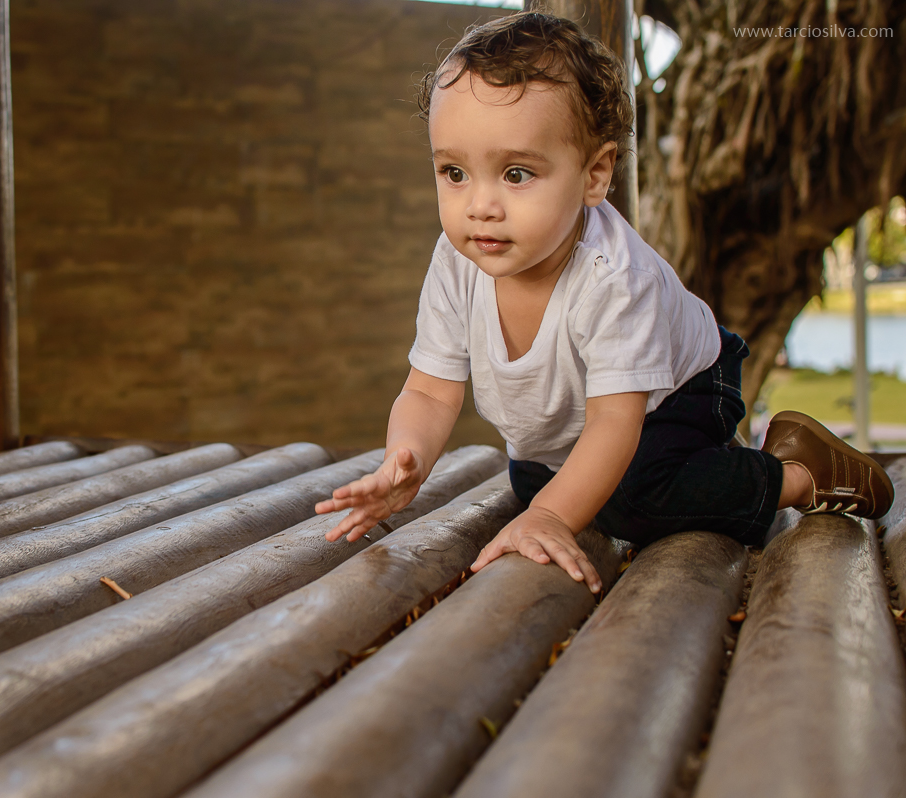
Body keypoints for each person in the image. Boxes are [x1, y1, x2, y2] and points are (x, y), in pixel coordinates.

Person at [315, 12, 895, 594]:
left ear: (595, 175)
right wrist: (404, 460)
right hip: (568, 428)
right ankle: (676, 478)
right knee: (536, 486)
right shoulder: (457, 260)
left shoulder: (614, 278)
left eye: (516, 173)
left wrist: (549, 517)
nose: (480, 205)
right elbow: (429, 390)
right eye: (454, 172)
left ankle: (800, 474)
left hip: (681, 388)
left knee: (636, 498)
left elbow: (617, 420)